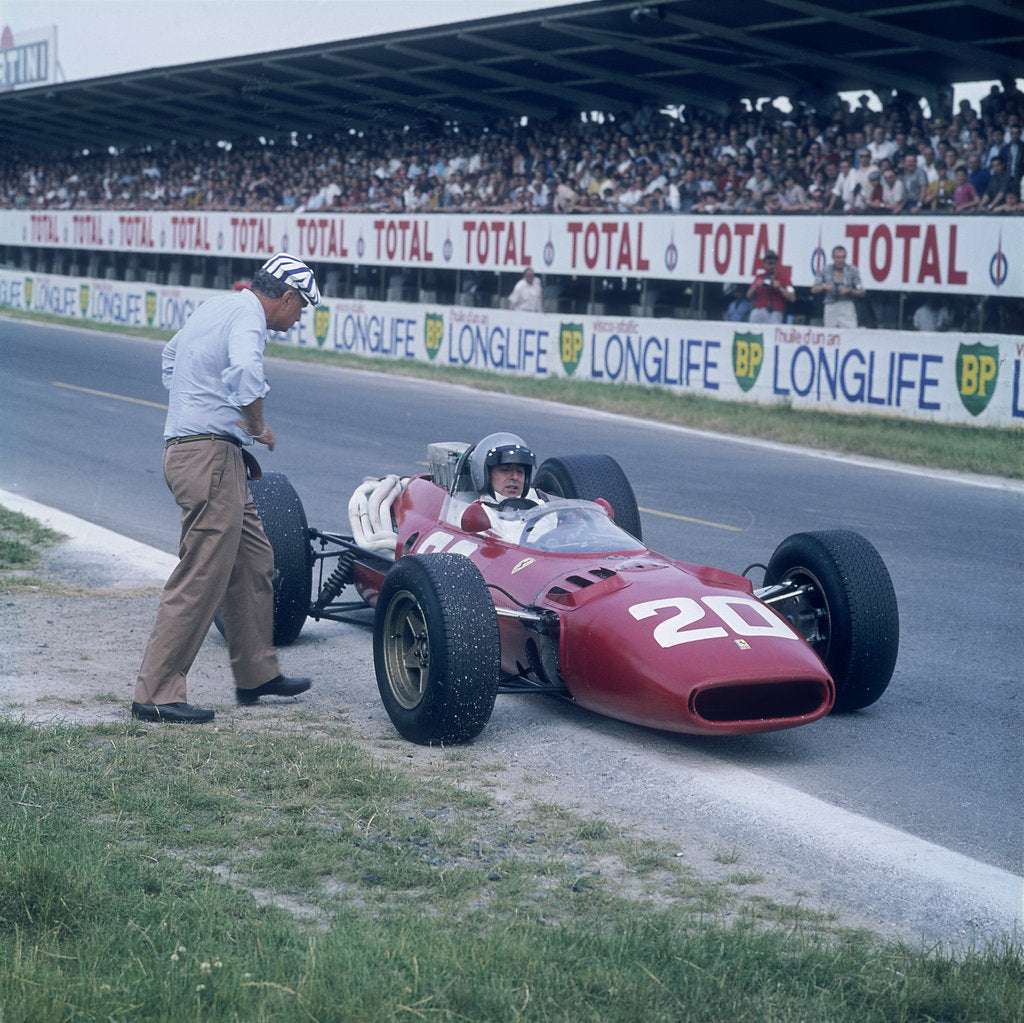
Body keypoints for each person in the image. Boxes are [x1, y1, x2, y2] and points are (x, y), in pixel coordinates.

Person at [131, 252, 319, 724]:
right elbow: (245, 373)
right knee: (202, 575)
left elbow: (171, 355)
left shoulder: (218, 305)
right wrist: (255, 425)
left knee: (256, 560)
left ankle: (257, 673)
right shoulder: (249, 318)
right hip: (208, 456)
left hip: (212, 453)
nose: (299, 319)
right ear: (287, 296)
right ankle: (155, 692)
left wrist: (194, 406)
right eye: (302, 309)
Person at [468, 432, 539, 508]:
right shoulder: (476, 514)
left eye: (519, 471)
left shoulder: (538, 508)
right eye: (505, 470)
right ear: (486, 475)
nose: (515, 477)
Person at [811, 245, 864, 328]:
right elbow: (814, 289)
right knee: (831, 333)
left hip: (846, 305)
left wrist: (848, 291)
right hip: (830, 305)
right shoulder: (826, 270)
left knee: (850, 332)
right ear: (833, 257)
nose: (840, 260)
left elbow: (861, 292)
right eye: (838, 257)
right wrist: (825, 287)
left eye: (842, 257)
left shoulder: (852, 270)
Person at [745, 250, 795, 324]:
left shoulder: (784, 278)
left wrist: (780, 288)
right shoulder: (759, 277)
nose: (771, 266)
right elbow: (748, 295)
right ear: (765, 264)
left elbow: (792, 298)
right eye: (769, 264)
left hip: (775, 312)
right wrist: (756, 286)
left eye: (773, 263)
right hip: (758, 311)